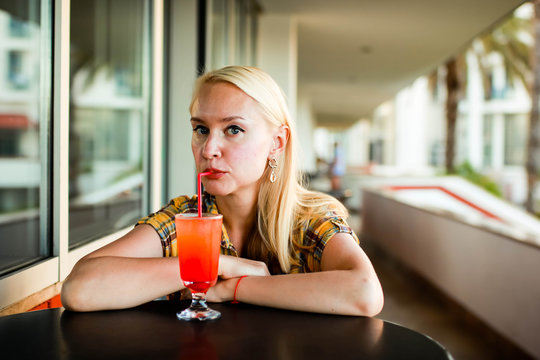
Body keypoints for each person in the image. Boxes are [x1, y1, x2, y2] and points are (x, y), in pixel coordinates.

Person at [61, 65, 384, 316]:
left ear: (277, 143)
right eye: (201, 129)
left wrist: (236, 288)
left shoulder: (310, 220)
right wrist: (216, 265)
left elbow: (365, 292)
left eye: (233, 129)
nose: (209, 148)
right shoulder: (186, 218)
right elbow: (80, 289)